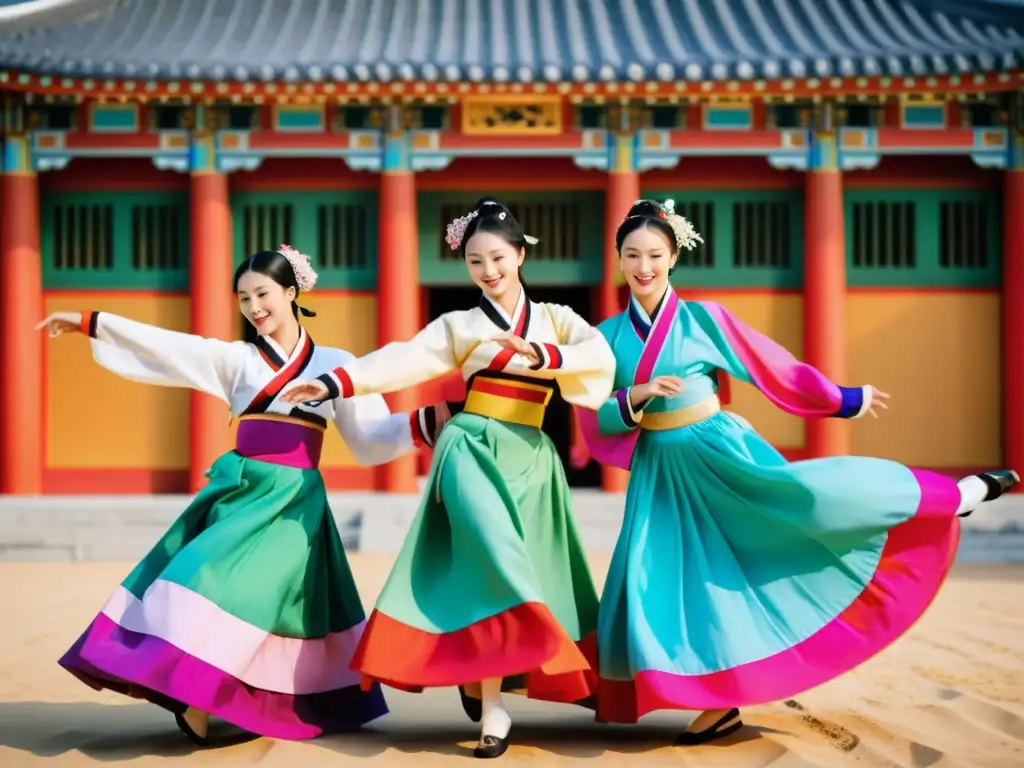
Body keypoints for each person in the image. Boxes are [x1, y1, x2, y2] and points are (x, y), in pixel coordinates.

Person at [577, 199, 1019, 745]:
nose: (643, 266)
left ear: (673, 258)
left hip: (717, 455)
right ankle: (717, 698)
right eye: (631, 255)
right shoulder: (604, 337)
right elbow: (591, 412)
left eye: (654, 254)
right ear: (618, 260)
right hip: (660, 470)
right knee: (662, 577)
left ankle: (952, 494)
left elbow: (770, 366)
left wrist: (839, 398)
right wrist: (635, 396)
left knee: (807, 503)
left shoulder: (703, 319)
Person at [39, 246, 449, 745]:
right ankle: (191, 695)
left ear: (291, 294)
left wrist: (432, 420)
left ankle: (222, 701)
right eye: (244, 298)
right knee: (201, 579)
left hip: (295, 503)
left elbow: (370, 437)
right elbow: (169, 346)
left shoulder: (335, 364)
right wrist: (90, 322)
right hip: (239, 494)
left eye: (263, 294)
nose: (254, 307)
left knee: (259, 599)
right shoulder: (236, 359)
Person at [281, 198, 616, 758]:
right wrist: (334, 384)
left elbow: (599, 359)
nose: (488, 271)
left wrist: (540, 353)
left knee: (518, 570)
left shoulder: (558, 317)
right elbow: (400, 360)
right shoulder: (459, 325)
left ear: (521, 254)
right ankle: (493, 708)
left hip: (532, 458)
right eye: (475, 261)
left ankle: (489, 678)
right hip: (471, 449)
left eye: (498, 258)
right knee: (495, 564)